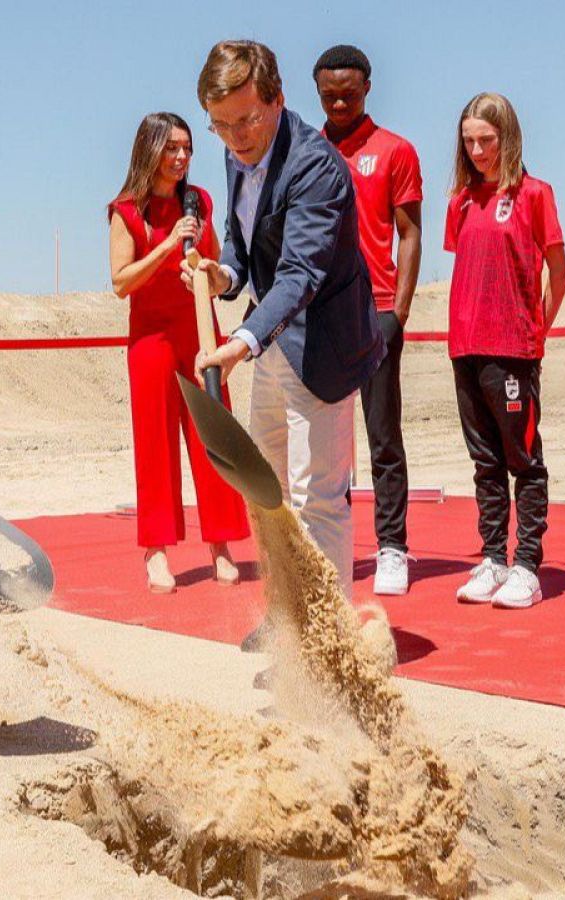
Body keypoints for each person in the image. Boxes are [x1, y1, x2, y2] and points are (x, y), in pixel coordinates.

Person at [182, 39, 385, 597]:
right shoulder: (234, 152)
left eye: (245, 120)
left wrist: (241, 342)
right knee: (267, 493)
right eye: (219, 125)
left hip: (322, 347)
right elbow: (242, 243)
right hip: (271, 340)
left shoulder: (316, 169)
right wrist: (221, 275)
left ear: (276, 100)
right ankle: (288, 620)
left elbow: (300, 274)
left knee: (315, 496)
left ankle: (330, 645)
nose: (235, 137)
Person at [107, 112, 249, 593]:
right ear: (150, 150)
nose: (182, 156)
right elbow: (120, 282)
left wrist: (204, 263)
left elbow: (211, 261)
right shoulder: (126, 211)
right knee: (156, 445)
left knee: (213, 439)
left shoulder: (200, 201)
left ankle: (223, 547)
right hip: (150, 341)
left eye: (187, 148)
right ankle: (156, 552)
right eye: (172, 148)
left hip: (199, 332)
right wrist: (167, 243)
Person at [444, 93, 565, 609]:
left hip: (512, 348)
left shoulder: (535, 194)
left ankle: (527, 565)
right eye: (469, 140)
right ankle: (493, 558)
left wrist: (535, 330)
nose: (477, 149)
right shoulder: (460, 201)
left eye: (487, 140)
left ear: (508, 137)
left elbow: (560, 273)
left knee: (524, 459)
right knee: (484, 461)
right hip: (465, 347)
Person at [313, 44, 424, 597]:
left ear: (367, 89)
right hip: (319, 316)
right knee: (323, 444)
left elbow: (409, 234)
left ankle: (393, 549)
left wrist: (397, 313)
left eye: (348, 93)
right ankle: (328, 553)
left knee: (383, 437)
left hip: (376, 311)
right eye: (329, 93)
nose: (338, 101)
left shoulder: (396, 150)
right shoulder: (305, 151)